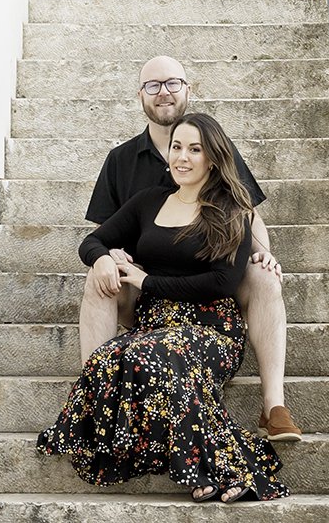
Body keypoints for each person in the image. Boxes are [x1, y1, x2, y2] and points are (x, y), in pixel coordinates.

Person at [38, 112, 288, 503]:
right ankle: (101, 402)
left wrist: (145, 281)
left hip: (211, 330)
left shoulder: (233, 209)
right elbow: (93, 240)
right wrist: (102, 258)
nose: (182, 157)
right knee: (114, 356)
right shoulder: (149, 201)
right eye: (176, 147)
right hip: (154, 326)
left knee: (162, 354)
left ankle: (230, 466)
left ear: (213, 157)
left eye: (194, 149)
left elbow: (220, 282)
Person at [79, 55, 302, 443]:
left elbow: (243, 212)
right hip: (142, 288)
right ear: (141, 95)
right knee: (98, 279)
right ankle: (92, 401)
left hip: (208, 287)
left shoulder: (216, 146)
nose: (163, 92)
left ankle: (274, 405)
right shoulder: (121, 160)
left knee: (264, 278)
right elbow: (104, 232)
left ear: (187, 90)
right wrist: (105, 257)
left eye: (172, 83)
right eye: (153, 85)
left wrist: (263, 251)